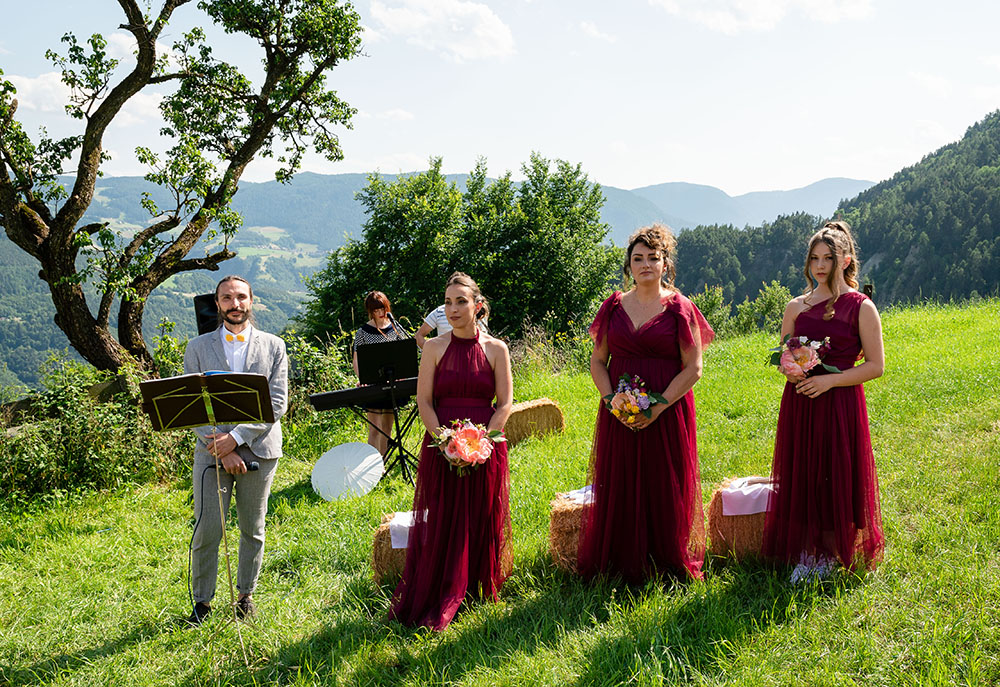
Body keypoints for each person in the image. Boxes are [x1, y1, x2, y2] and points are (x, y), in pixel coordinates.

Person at [577, 224, 714, 584]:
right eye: (638, 258)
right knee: (620, 478)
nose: (646, 265)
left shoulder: (680, 307)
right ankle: (622, 560)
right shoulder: (613, 307)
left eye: (654, 258)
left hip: (667, 408)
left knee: (664, 481)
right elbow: (597, 360)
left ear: (666, 263)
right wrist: (611, 401)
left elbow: (694, 367)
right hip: (619, 410)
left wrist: (659, 407)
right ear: (629, 265)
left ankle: (666, 559)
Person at [761, 221, 885, 582]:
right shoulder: (795, 306)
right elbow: (785, 353)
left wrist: (830, 381)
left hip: (840, 401)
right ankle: (806, 549)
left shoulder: (861, 307)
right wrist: (791, 370)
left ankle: (831, 552)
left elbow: (876, 366)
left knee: (835, 472)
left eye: (828, 258)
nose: (819, 265)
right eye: (814, 258)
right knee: (803, 470)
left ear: (845, 260)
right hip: (801, 401)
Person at [389, 272, 513, 631]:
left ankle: (476, 584)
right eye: (447, 302)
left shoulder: (497, 349)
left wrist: (483, 442)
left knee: (479, 510)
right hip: (440, 442)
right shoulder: (433, 347)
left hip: (486, 444)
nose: (453, 308)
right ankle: (442, 581)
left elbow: (505, 403)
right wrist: (444, 441)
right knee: (443, 512)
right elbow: (424, 401)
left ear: (478, 306)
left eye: (461, 301)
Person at [183, 275, 288, 625]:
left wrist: (237, 440)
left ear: (252, 301)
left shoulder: (274, 346)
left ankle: (245, 596)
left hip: (260, 449)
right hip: (210, 450)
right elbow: (190, 405)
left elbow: (276, 404)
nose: (235, 304)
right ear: (217, 304)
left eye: (241, 297)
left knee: (252, 528)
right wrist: (221, 447)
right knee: (208, 528)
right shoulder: (197, 347)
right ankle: (202, 603)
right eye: (226, 298)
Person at [352, 291, 408, 456]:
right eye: (375, 310)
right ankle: (372, 464)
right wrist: (362, 379)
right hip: (373, 384)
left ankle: (382, 461)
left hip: (393, 383)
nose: (380, 313)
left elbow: (404, 353)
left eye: (382, 309)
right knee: (375, 428)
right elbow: (357, 359)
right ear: (370, 311)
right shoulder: (363, 332)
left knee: (386, 428)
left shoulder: (396, 328)